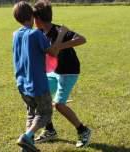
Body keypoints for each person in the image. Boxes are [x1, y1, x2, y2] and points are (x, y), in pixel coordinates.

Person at [33, 0, 92, 148]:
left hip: (68, 71)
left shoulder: (59, 30)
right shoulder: (39, 33)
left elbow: (82, 39)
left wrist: (60, 45)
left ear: (38, 19)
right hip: (53, 71)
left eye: (34, 18)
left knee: (59, 105)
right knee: (40, 95)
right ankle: (50, 130)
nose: (33, 21)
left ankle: (83, 130)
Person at [12, 1, 67, 151]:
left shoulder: (16, 34)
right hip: (37, 84)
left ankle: (27, 147)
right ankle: (26, 136)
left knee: (31, 114)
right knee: (45, 113)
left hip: (22, 84)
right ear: (31, 16)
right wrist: (61, 33)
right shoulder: (35, 34)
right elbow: (53, 52)